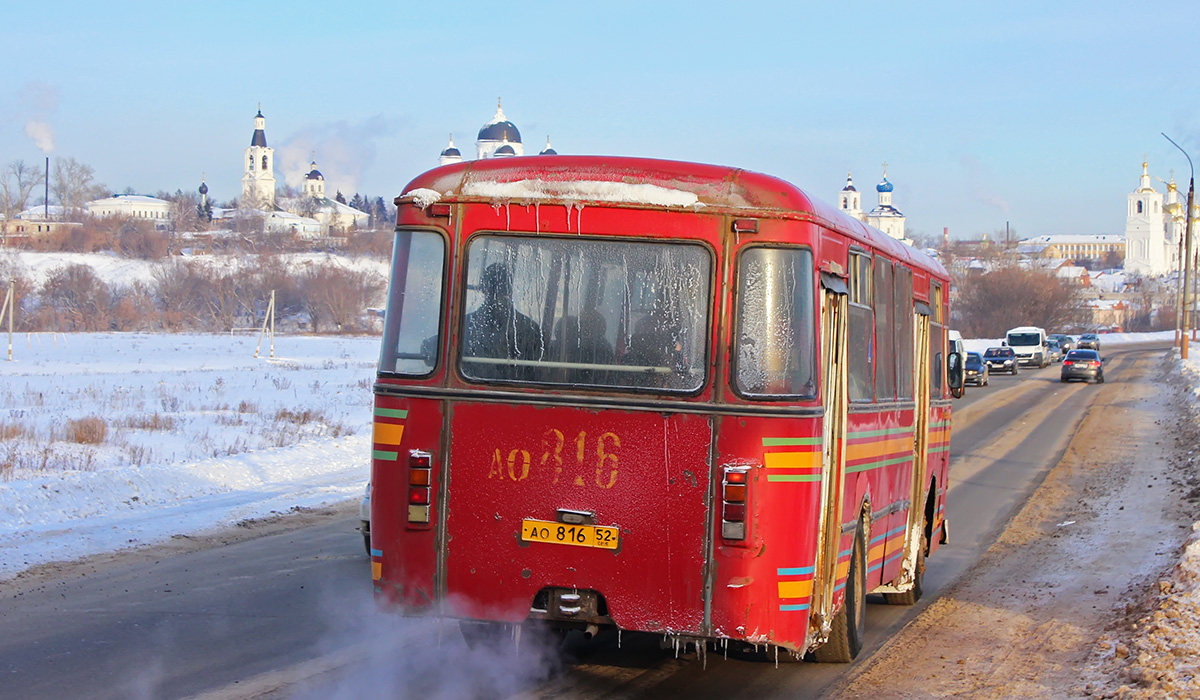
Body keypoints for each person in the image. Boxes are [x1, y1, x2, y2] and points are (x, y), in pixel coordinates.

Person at [462, 263, 543, 378]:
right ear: (510, 290)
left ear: (484, 290)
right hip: (518, 392)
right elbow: (537, 371)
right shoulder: (531, 327)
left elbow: (433, 350)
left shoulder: (465, 324)